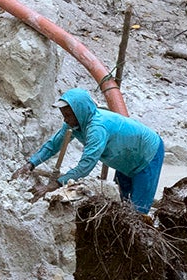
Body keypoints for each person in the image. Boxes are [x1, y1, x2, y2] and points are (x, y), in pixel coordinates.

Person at [20, 86, 165, 215]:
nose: (65, 120)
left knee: (138, 212)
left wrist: (54, 185)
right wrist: (30, 164)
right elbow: (53, 145)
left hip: (147, 154)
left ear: (80, 112)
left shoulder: (97, 128)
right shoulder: (74, 123)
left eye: (68, 115)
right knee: (123, 205)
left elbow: (86, 166)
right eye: (64, 115)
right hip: (125, 159)